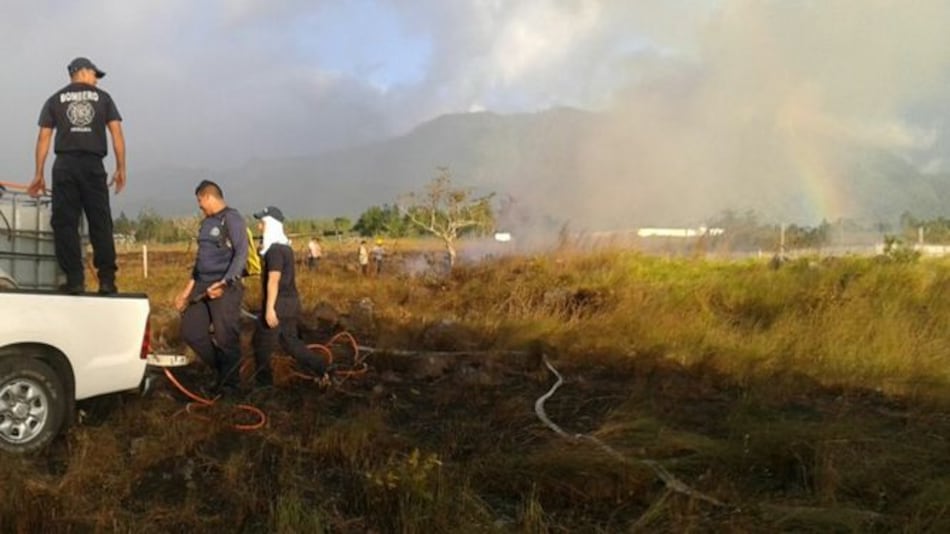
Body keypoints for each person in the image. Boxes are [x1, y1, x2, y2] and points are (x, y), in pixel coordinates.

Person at [27, 57, 126, 295]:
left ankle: (74, 280)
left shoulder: (54, 99)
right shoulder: (104, 99)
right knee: (100, 222)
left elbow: (44, 138)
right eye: (95, 75)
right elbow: (116, 134)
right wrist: (121, 167)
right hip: (93, 166)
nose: (97, 80)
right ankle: (106, 281)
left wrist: (39, 173)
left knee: (65, 223)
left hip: (65, 166)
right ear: (81, 72)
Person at [175, 180, 248, 394]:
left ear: (208, 197)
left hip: (224, 286)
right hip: (201, 287)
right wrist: (186, 293)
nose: (200, 207)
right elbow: (199, 262)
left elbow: (241, 254)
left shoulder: (232, 219)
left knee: (226, 338)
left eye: (200, 202)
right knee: (191, 331)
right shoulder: (206, 223)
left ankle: (231, 389)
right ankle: (224, 371)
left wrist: (225, 283)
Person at [251, 206, 328, 387]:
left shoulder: (275, 251)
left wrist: (270, 309)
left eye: (262, 223)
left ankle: (264, 387)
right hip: (291, 303)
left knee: (260, 344)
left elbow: (273, 280)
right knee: (291, 344)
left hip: (279, 304)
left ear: (270, 225)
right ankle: (322, 367)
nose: (259, 227)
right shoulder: (285, 248)